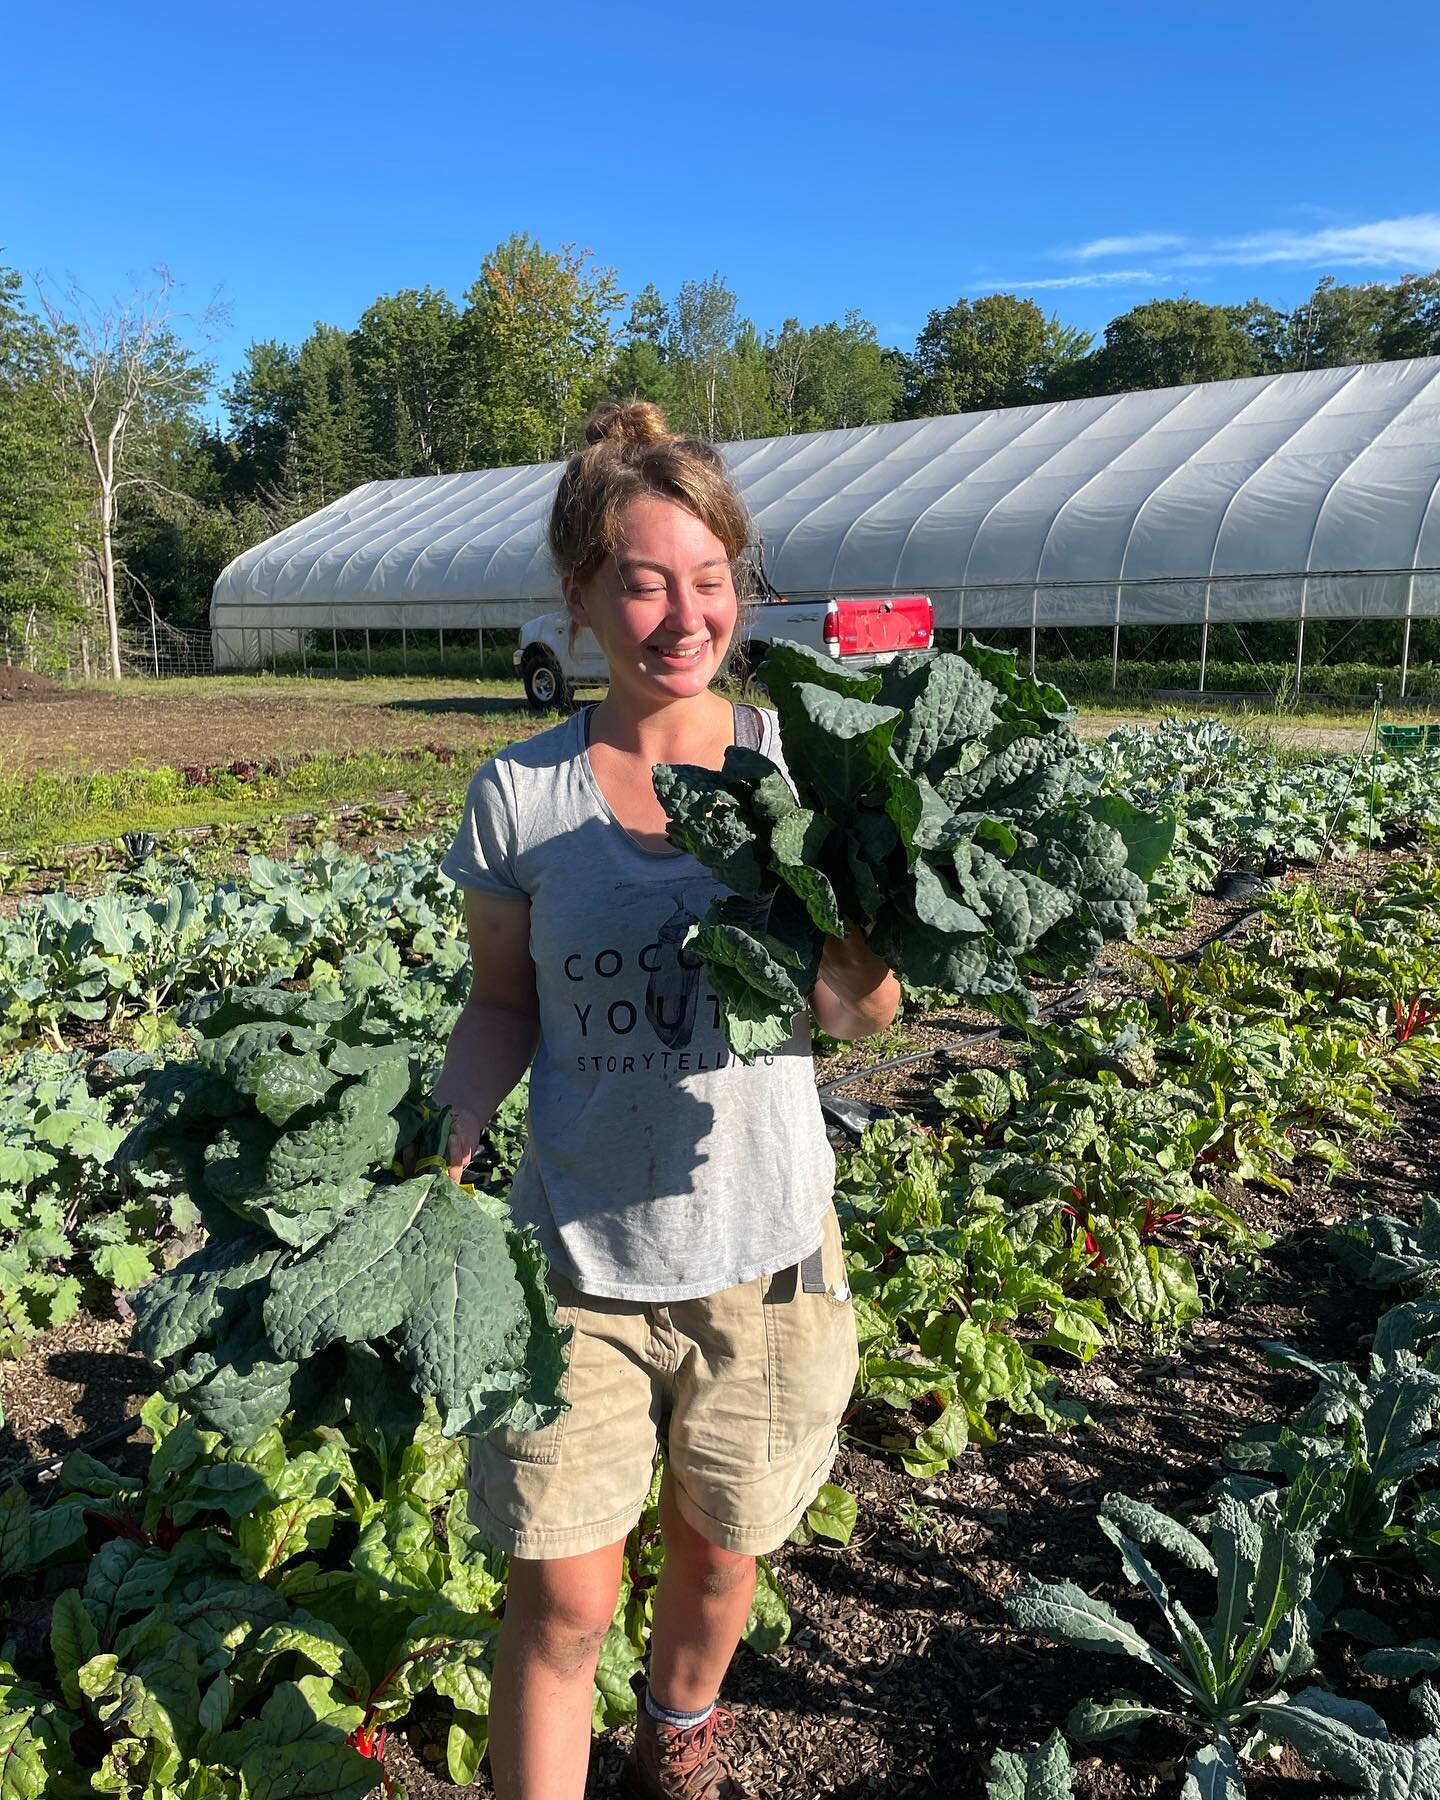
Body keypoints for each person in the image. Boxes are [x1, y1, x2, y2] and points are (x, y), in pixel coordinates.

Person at [432, 399, 900, 1800]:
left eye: (708, 581)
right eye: (641, 582)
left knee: (714, 1566)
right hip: (573, 1264)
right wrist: (454, 1116)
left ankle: (677, 1740)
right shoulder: (519, 795)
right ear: (580, 598)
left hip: (767, 1261)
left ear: (739, 588)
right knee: (564, 1603)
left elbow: (862, 1018)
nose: (680, 614)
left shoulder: (802, 768)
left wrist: (856, 953)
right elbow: (503, 1005)